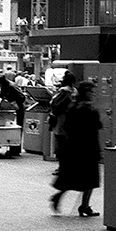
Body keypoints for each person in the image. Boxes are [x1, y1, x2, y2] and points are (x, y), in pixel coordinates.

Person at [50, 81, 103, 217]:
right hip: (88, 148)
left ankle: (59, 196)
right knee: (90, 178)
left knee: (73, 177)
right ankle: (84, 206)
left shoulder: (72, 107)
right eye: (91, 91)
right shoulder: (89, 109)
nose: (93, 94)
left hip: (73, 147)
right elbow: (97, 126)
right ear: (86, 92)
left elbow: (67, 127)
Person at [48, 70, 77, 174]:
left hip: (61, 120)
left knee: (61, 144)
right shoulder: (75, 91)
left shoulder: (64, 91)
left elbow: (54, 104)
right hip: (72, 120)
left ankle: (62, 167)